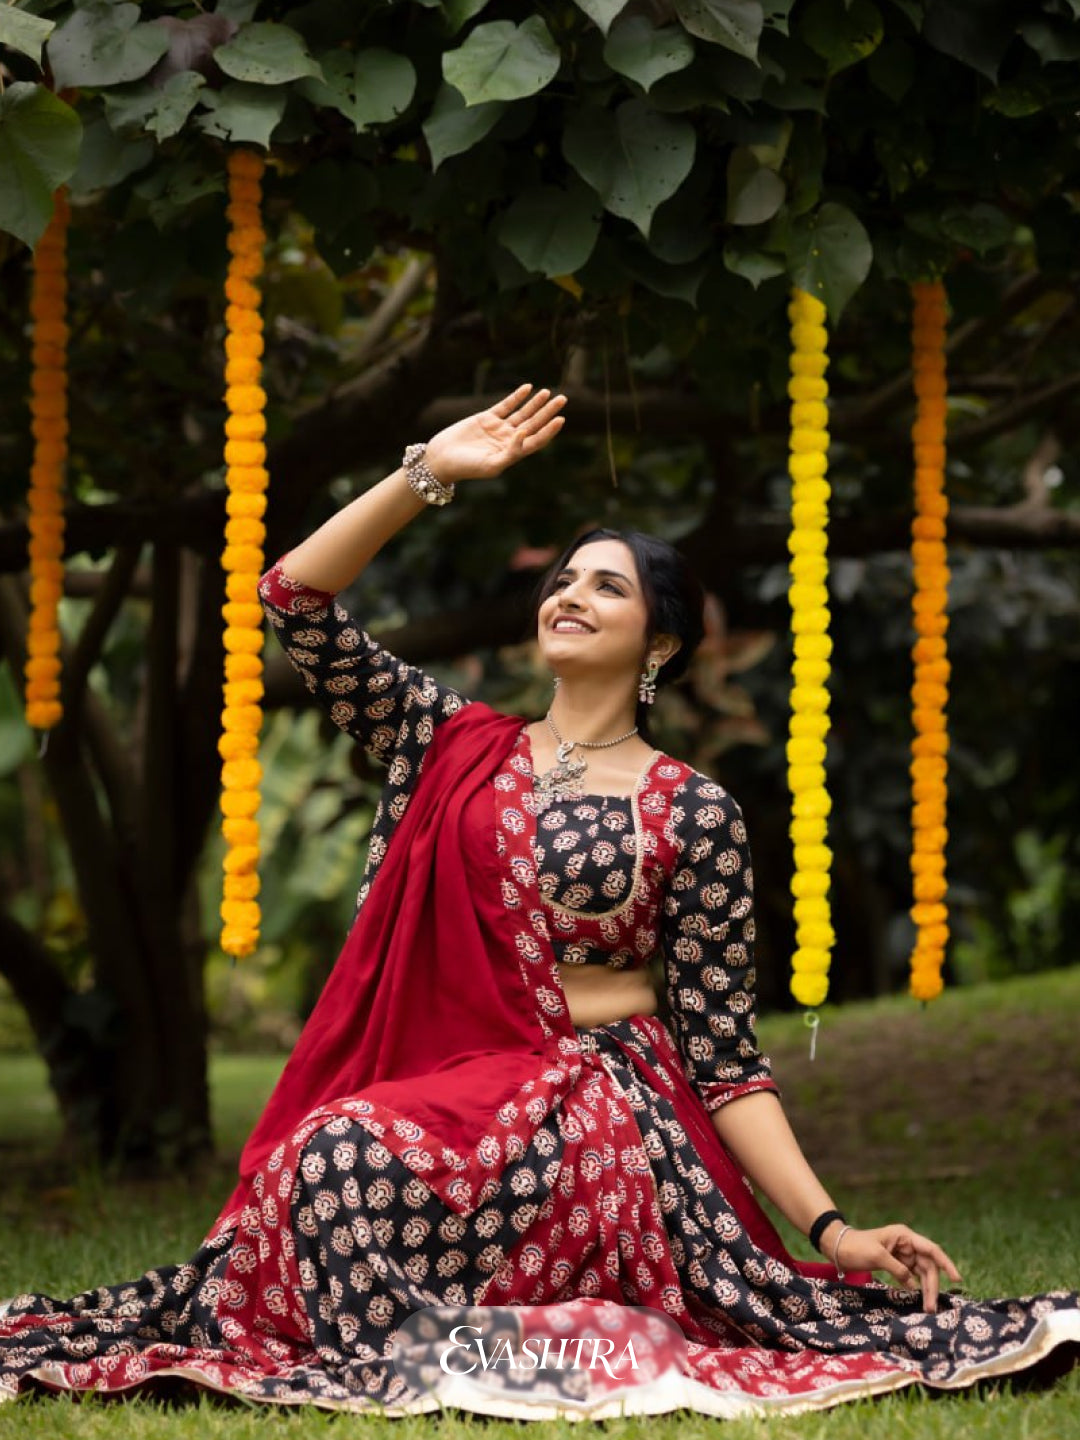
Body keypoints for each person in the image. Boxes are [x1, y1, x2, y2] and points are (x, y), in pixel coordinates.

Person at [1, 385, 1077, 1418]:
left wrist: (832, 1230)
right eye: (563, 579)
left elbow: (724, 1058)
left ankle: (489, 1337)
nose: (570, 595)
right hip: (458, 1083)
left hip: (598, 1114)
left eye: (608, 587)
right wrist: (427, 473)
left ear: (660, 642)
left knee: (348, 1163)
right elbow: (293, 601)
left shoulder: (691, 809)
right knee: (328, 1159)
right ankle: (448, 1346)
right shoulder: (449, 741)